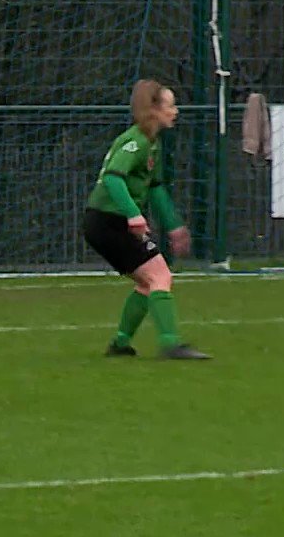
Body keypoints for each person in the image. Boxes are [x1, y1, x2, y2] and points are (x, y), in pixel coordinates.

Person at [83, 79, 211, 359]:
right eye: (171, 105)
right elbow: (113, 179)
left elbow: (156, 189)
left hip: (107, 222)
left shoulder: (151, 144)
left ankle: (120, 344)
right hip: (107, 222)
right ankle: (171, 345)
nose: (175, 111)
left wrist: (174, 225)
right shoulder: (136, 142)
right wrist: (133, 215)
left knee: (146, 282)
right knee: (160, 276)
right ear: (152, 110)